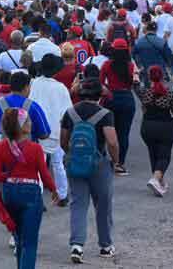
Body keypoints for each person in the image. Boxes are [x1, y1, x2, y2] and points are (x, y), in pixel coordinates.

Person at [60, 78, 118, 263]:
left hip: (75, 163)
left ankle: (77, 245)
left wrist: (71, 154)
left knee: (78, 203)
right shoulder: (105, 114)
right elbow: (112, 141)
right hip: (98, 163)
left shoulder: (70, 112)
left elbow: (64, 140)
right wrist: (115, 161)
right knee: (103, 205)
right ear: (99, 95)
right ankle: (105, 246)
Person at [0, 108, 58, 269]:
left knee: (19, 239)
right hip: (30, 194)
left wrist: (10, 176)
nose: (31, 122)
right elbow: (44, 174)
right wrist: (54, 190)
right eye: (27, 121)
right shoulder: (35, 148)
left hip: (10, 194)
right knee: (30, 243)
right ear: (21, 127)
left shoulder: (1, 147)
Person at [135, 65, 173, 197]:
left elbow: (135, 86)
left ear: (149, 77)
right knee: (164, 156)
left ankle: (159, 181)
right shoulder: (169, 94)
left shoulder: (144, 92)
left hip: (147, 127)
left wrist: (136, 75)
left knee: (153, 154)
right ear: (163, 76)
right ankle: (155, 179)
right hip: (165, 127)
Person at [29, 54, 73, 205]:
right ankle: (62, 195)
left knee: (37, 165)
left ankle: (37, 198)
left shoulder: (34, 83)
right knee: (58, 163)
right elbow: (68, 112)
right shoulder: (60, 88)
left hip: (36, 129)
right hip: (56, 130)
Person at [0, 70, 51, 152]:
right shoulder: (33, 107)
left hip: (3, 152)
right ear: (26, 87)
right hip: (27, 154)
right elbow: (44, 134)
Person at [100, 39, 137, 175]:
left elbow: (101, 83)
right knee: (124, 133)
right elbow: (134, 83)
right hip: (127, 99)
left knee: (107, 131)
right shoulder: (131, 66)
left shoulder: (107, 64)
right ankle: (120, 163)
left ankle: (106, 158)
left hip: (110, 98)